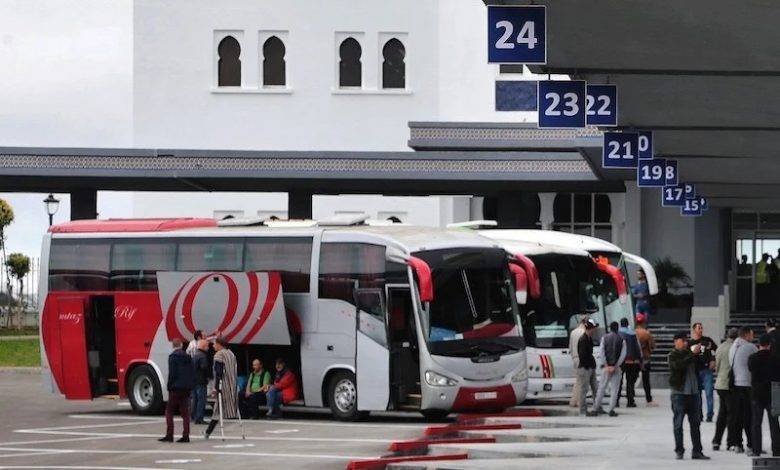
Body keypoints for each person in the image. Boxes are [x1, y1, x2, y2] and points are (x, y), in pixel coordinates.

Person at [668, 331, 709, 460]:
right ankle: (679, 450)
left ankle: (697, 451)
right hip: (679, 393)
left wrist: (703, 352)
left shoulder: (690, 353)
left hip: (693, 393)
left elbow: (701, 365)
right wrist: (692, 354)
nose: (685, 343)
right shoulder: (673, 355)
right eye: (683, 340)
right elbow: (678, 366)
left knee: (695, 424)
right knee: (678, 423)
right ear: (676, 341)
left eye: (686, 340)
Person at [748, 333, 780, 457]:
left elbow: (751, 370)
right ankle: (776, 449)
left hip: (757, 393)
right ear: (770, 344)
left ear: (759, 344)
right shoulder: (776, 358)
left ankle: (756, 449)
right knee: (774, 423)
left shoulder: (753, 358)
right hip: (773, 392)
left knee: (756, 423)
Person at [160, 338, 196, 443]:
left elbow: (172, 373)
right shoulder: (188, 357)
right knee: (185, 413)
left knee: (169, 411)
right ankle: (186, 435)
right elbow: (192, 371)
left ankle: (169, 435)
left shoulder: (172, 357)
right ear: (181, 345)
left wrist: (169, 386)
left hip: (175, 388)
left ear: (173, 346)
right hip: (186, 388)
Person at [728, 326, 757, 453]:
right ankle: (751, 444)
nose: (753, 337)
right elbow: (757, 362)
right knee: (749, 416)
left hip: (735, 384)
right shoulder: (750, 347)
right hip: (747, 384)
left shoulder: (733, 347)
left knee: (737, 416)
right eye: (751, 334)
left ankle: (738, 444)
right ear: (746, 335)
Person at [205, 337, 238, 438]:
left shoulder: (219, 355)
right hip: (232, 384)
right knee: (217, 409)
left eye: (214, 344)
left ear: (219, 344)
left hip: (223, 386)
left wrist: (216, 388)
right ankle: (208, 432)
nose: (213, 346)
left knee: (217, 409)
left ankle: (208, 432)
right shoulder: (231, 353)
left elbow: (218, 372)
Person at [590, 321, 626, 417]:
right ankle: (611, 409)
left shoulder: (604, 338)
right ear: (617, 328)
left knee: (601, 388)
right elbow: (623, 355)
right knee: (614, 389)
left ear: (610, 328)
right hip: (616, 368)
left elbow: (601, 352)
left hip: (606, 368)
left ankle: (595, 408)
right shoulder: (622, 340)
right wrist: (615, 365)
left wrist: (606, 365)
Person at [712, 328, 738, 451]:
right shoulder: (735, 348)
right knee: (731, 415)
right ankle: (731, 442)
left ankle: (716, 441)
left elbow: (716, 368)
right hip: (730, 385)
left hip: (720, 384)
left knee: (722, 414)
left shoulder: (720, 347)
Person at [689, 322, 717, 422]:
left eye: (701, 328)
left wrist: (713, 360)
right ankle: (699, 414)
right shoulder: (690, 343)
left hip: (706, 370)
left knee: (709, 393)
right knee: (697, 394)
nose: (701, 330)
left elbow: (716, 350)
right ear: (694, 330)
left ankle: (710, 414)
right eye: (699, 328)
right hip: (695, 371)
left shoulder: (707, 340)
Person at [569, 317, 597, 409]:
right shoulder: (584, 336)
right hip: (584, 363)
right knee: (583, 385)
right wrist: (588, 365)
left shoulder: (573, 332)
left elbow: (570, 347)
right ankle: (580, 404)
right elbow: (584, 353)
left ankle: (574, 400)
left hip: (575, 358)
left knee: (579, 382)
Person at [618, 318, 643, 408]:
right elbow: (638, 348)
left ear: (620, 324)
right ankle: (630, 401)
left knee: (618, 381)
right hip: (631, 361)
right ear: (627, 324)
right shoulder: (632, 334)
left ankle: (616, 400)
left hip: (620, 361)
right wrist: (640, 359)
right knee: (630, 381)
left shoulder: (617, 333)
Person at [634, 313, 657, 406]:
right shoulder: (647, 333)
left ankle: (630, 399)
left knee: (631, 380)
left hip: (634, 359)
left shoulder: (633, 332)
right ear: (644, 322)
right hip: (645, 359)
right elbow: (652, 346)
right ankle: (649, 400)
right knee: (646, 380)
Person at [577, 319, 598, 416]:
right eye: (594, 328)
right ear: (590, 328)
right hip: (585, 368)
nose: (595, 330)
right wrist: (587, 366)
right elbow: (582, 355)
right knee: (584, 389)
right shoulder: (583, 339)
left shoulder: (589, 338)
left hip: (591, 366)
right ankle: (582, 410)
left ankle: (597, 407)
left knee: (595, 388)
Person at [190, 339, 210, 425]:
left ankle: (193, 416)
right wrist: (208, 376)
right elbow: (204, 368)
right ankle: (199, 418)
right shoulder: (203, 356)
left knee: (195, 399)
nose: (208, 348)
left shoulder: (195, 355)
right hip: (201, 381)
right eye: (207, 346)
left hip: (194, 381)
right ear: (203, 347)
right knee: (201, 400)